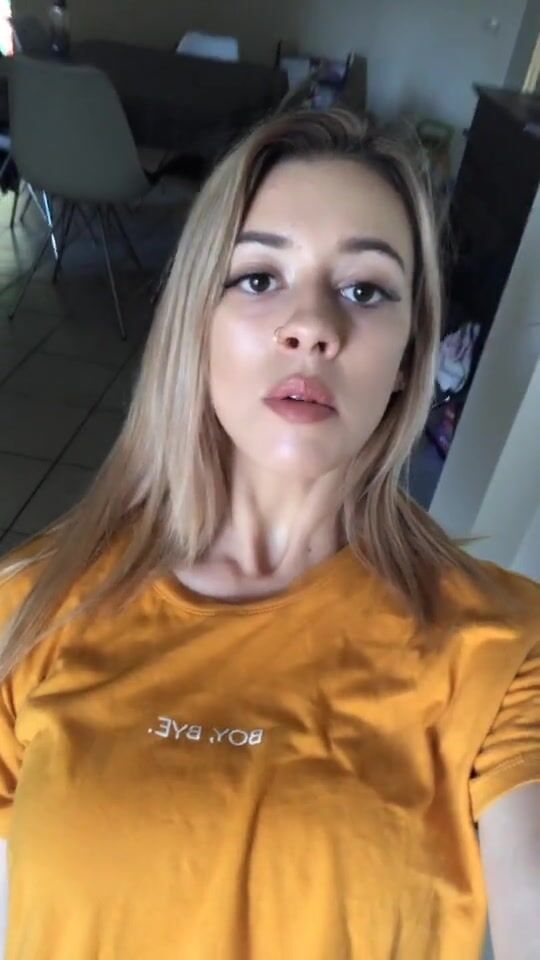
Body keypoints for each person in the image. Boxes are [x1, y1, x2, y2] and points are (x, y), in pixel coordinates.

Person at [0, 108, 538, 960]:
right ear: (197, 321)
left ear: (409, 355)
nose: (312, 325)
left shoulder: (505, 647)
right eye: (258, 278)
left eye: (365, 290)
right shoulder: (33, 607)